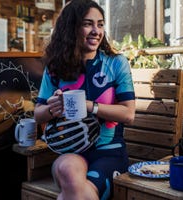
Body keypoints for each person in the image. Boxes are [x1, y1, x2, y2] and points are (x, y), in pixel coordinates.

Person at [34, 0, 136, 199]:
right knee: (68, 172)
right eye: (88, 24)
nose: (96, 31)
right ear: (72, 28)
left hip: (109, 150)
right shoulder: (56, 67)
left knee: (73, 193)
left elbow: (128, 114)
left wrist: (89, 106)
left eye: (100, 24)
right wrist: (52, 108)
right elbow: (38, 114)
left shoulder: (116, 63)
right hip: (72, 150)